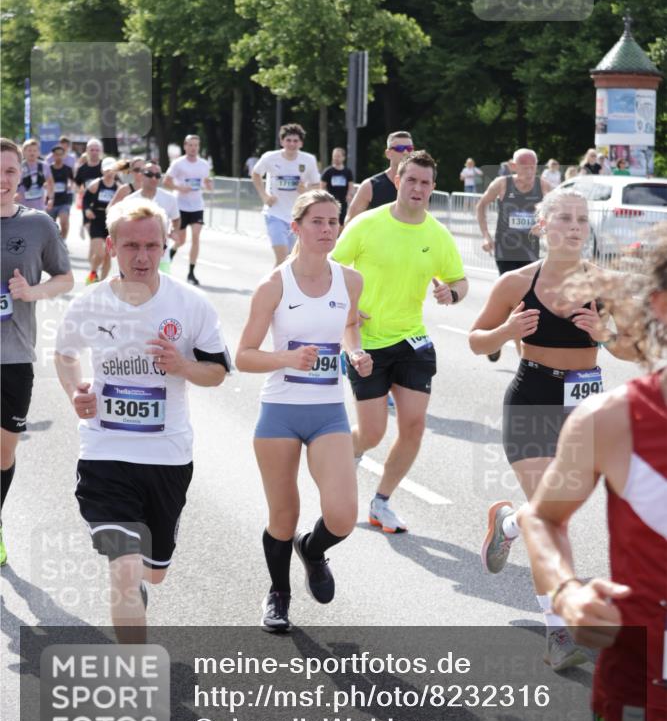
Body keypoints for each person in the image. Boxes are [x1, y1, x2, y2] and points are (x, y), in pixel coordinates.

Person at [520, 224, 667, 721]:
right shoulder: (611, 421)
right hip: (644, 710)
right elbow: (542, 515)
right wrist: (566, 590)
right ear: (661, 305)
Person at [469, 186, 636, 670]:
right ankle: (558, 630)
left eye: (582, 220)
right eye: (563, 218)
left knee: (547, 513)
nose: (574, 227)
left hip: (585, 410)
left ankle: (507, 522)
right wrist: (505, 333)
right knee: (552, 521)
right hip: (532, 399)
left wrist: (603, 335)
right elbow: (477, 341)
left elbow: (631, 351)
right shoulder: (517, 283)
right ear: (542, 226)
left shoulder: (606, 284)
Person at [54, 199, 229, 638]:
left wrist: (183, 367)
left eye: (152, 246)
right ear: (111, 247)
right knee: (125, 569)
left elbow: (218, 372)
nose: (142, 257)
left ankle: (139, 583)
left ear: (166, 245)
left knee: (152, 573)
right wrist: (76, 390)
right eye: (131, 246)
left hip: (167, 457)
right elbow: (65, 354)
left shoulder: (191, 305)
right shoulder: (90, 305)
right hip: (105, 454)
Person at [235, 190, 372, 632]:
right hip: (280, 411)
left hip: (329, 410)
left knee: (343, 515)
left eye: (333, 221)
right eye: (317, 221)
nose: (327, 229)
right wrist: (285, 359)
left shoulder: (350, 280)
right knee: (282, 516)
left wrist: (355, 352)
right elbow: (244, 355)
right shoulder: (274, 285)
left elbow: (350, 325)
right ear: (295, 227)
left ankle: (312, 550)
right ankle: (279, 595)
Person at [332, 151, 468, 533]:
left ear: (433, 188)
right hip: (367, 341)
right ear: (397, 181)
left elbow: (459, 280)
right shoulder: (366, 225)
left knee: (414, 426)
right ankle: (349, 452)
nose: (418, 188)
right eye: (412, 180)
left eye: (425, 183)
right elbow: (331, 269)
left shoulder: (437, 235)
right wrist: (347, 308)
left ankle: (381, 502)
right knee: (372, 432)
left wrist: (452, 295)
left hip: (412, 340)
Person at [1, 138, 73, 566]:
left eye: (10, 171)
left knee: (5, 451)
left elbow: (65, 278)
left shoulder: (38, 225)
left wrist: (32, 291)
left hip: (14, 357)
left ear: (20, 175)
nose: (3, 179)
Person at [476, 148, 552, 362]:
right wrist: (485, 236)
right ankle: (502, 340)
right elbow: (481, 206)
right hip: (505, 250)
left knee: (523, 303)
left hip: (531, 253)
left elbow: (558, 208)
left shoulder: (543, 186)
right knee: (514, 301)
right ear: (514, 166)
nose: (529, 171)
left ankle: (511, 349)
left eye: (533, 167)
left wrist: (544, 227)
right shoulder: (502, 184)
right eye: (524, 166)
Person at [251, 124, 320, 267]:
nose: (292, 144)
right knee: (282, 256)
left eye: (295, 141)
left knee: (293, 259)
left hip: (298, 216)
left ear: (301, 143)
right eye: (288, 140)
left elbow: (316, 185)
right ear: (282, 142)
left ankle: (286, 287)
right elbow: (256, 174)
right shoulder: (270, 157)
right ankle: (274, 288)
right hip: (274, 213)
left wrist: (306, 191)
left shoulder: (308, 160)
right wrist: (264, 196)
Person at [164, 134, 213, 285]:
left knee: (196, 237)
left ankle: (191, 273)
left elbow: (205, 183)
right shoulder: (178, 163)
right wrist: (180, 188)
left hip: (197, 205)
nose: (193, 148)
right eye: (190, 145)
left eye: (196, 145)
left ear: (199, 147)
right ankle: (171, 253)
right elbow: (166, 181)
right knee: (181, 240)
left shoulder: (204, 164)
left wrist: (209, 185)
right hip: (180, 205)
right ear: (185, 146)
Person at [344, 131, 414, 224]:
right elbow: (350, 222)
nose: (405, 152)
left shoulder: (419, 185)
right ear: (388, 154)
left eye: (409, 148)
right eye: (400, 148)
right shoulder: (370, 186)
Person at [126, 161, 180, 273]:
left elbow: (176, 219)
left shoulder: (170, 199)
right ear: (141, 175)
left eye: (157, 175)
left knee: (162, 289)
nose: (154, 178)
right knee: (137, 288)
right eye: (149, 174)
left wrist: (174, 231)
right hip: (136, 255)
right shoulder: (130, 200)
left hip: (161, 256)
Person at [83, 158, 126, 284]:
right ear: (102, 171)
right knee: (100, 253)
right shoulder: (96, 184)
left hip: (111, 221)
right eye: (107, 170)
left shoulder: (119, 187)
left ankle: (102, 282)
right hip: (97, 219)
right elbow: (85, 199)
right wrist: (86, 212)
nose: (110, 173)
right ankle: (93, 272)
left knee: (108, 255)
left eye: (112, 170)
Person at [46, 144, 75, 239]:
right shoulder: (48, 169)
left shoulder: (68, 169)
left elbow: (73, 181)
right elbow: (42, 182)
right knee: (50, 226)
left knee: (64, 222)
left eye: (60, 154)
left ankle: (63, 242)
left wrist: (71, 185)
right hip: (51, 201)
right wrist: (47, 185)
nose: (58, 156)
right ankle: (54, 244)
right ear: (53, 156)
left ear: (63, 155)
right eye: (56, 154)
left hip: (64, 200)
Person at [320, 147, 354, 226]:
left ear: (343, 158)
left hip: (343, 201)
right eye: (334, 156)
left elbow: (351, 185)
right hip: (330, 200)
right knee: (330, 220)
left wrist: (349, 195)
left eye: (338, 156)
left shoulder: (347, 171)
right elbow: (322, 186)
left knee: (342, 221)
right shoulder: (328, 171)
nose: (336, 158)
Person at [17, 139, 53, 213]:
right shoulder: (18, 167)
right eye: (29, 150)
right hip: (23, 208)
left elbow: (50, 182)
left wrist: (51, 198)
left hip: (40, 208)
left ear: (38, 152)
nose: (32, 153)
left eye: (34, 150)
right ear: (23, 152)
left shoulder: (44, 165)